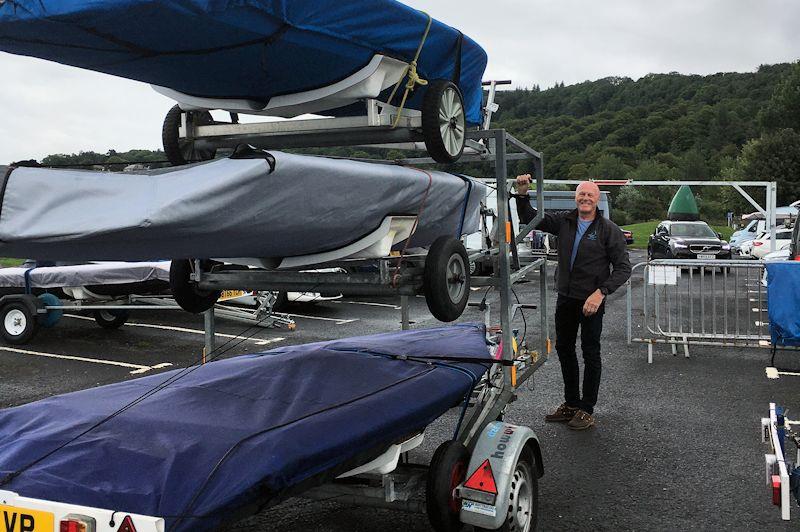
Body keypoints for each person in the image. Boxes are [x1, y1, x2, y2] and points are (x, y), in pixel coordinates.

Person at [514, 175, 631, 430]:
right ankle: (571, 403)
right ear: (576, 198)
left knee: (590, 352)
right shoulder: (565, 221)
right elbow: (531, 217)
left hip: (591, 302)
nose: (585, 198)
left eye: (590, 195)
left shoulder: (608, 229)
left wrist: (601, 292)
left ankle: (586, 409)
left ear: (597, 200)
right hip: (566, 298)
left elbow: (623, 268)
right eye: (581, 194)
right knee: (565, 350)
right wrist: (522, 194)